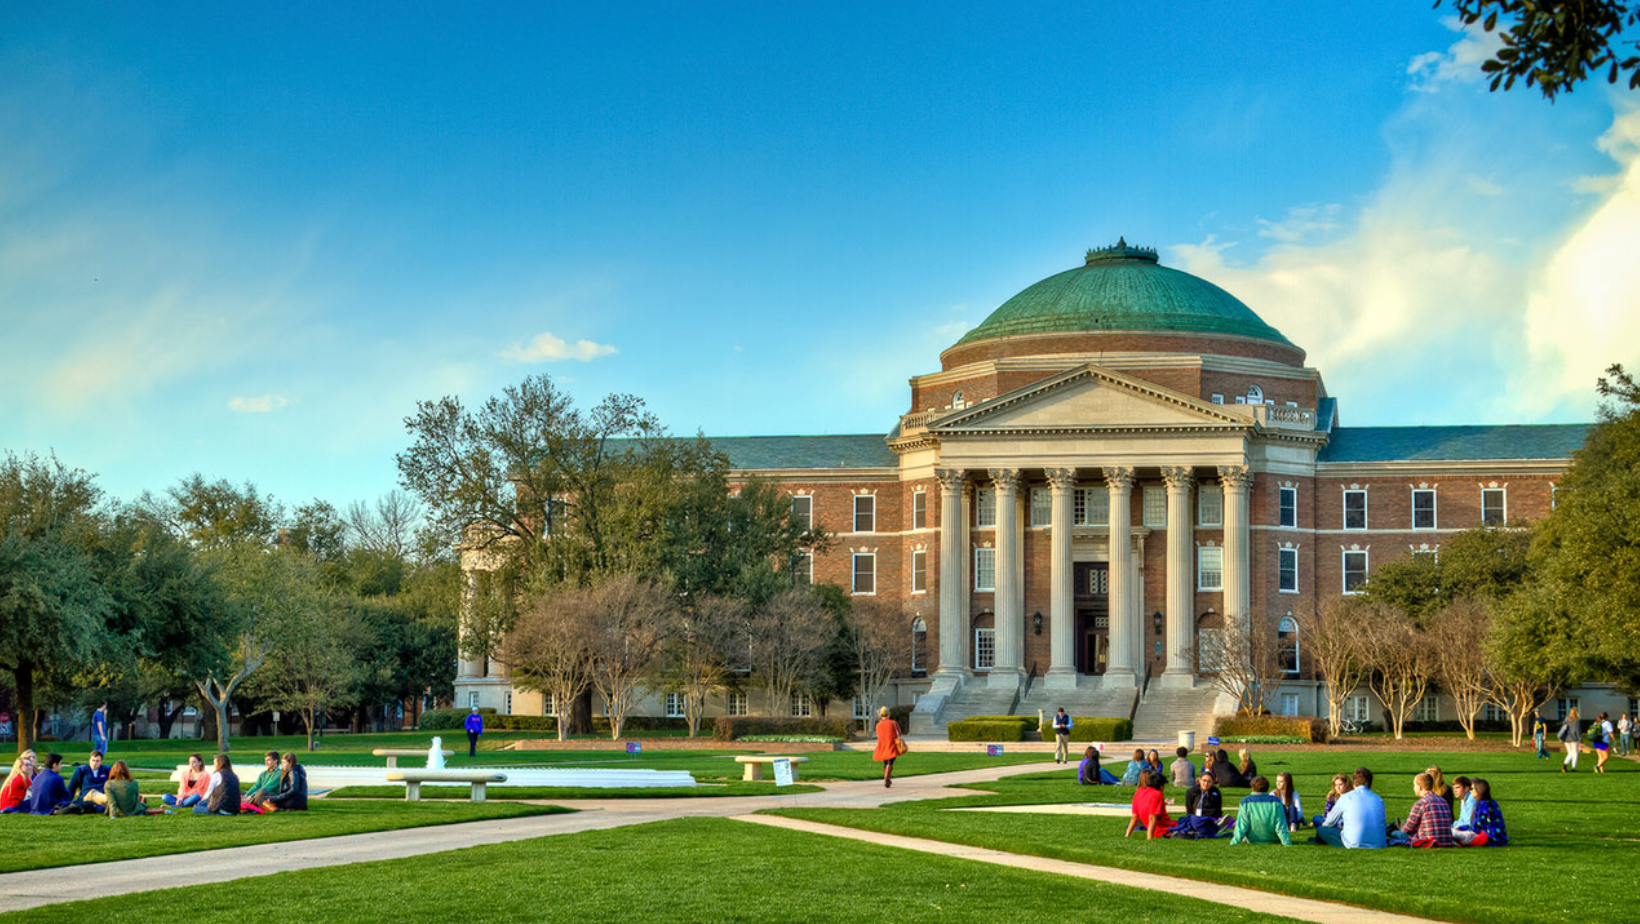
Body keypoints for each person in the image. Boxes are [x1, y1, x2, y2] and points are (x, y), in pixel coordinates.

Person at [1315, 767, 1386, 848]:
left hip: (1354, 843)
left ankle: (1317, 840)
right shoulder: (1378, 799)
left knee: (1321, 829)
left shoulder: (1346, 797)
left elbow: (1329, 822)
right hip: (1379, 843)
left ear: (1354, 782)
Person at [1230, 776, 1292, 846]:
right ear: (1267, 788)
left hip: (1252, 840)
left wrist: (1234, 842)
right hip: (1273, 839)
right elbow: (1280, 825)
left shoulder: (1245, 802)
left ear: (1252, 788)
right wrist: (1287, 842)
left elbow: (1242, 825)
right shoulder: (1276, 802)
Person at [1399, 772, 1456, 848]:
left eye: (1414, 785)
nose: (1414, 788)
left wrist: (1401, 830)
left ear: (1420, 787)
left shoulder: (1421, 803)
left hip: (1428, 840)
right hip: (1447, 841)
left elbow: (1408, 828)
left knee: (1395, 834)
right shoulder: (1443, 801)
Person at [1455, 778, 1508, 847]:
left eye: (1472, 789)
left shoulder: (1481, 804)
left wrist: (1460, 829)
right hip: (1501, 838)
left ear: (1479, 790)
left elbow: (1476, 828)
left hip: (1490, 838)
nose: (1470, 791)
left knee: (1454, 834)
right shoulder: (1493, 802)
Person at [1172, 771, 1226, 839]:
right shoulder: (1192, 792)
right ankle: (1216, 826)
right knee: (1194, 821)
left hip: (1212, 817)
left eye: (1209, 781)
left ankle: (1220, 824)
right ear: (1199, 780)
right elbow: (1189, 808)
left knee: (1230, 820)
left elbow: (1218, 808)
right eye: (1204, 780)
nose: (1206, 783)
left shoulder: (1216, 791)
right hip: (1197, 818)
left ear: (1213, 782)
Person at [1124, 771, 1174, 839]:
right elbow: (1152, 817)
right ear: (1161, 786)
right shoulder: (1157, 794)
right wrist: (1149, 838)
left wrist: (1127, 835)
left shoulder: (1139, 792)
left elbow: (1134, 817)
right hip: (1162, 829)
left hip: (1151, 826)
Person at [872, 706, 904, 788]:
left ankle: (887, 779)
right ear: (888, 714)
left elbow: (878, 735)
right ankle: (887, 778)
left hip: (882, 745)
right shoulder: (893, 723)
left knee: (886, 762)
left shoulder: (878, 724)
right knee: (890, 762)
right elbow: (899, 734)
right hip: (891, 744)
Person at [1558, 707, 1582, 772]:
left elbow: (1563, 728)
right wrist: (1580, 739)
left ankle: (1564, 765)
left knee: (1570, 753)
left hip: (1566, 738)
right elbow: (1578, 731)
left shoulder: (1566, 719)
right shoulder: (1577, 720)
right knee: (1575, 753)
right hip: (1574, 738)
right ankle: (1573, 767)